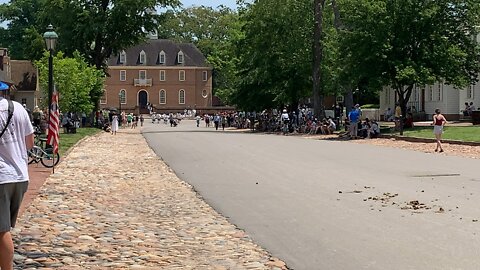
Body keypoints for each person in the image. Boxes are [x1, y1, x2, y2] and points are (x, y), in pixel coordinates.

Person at [0, 89, 34, 270]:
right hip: (20, 176)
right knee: (3, 228)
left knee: (1, 231)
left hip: (1, 177)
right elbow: (30, 142)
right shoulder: (19, 108)